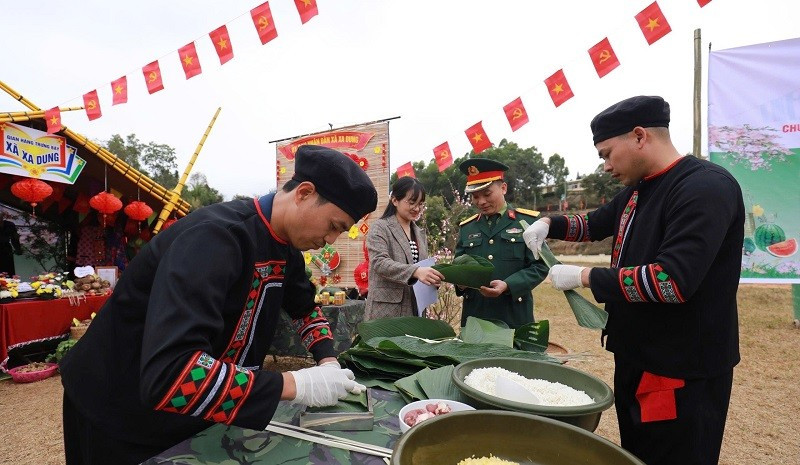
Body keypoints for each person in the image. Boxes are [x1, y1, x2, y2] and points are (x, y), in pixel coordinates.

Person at [59, 145, 378, 465]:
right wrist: (296, 384)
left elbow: (305, 308)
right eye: (334, 225)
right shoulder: (215, 238)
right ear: (304, 193)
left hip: (192, 410)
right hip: (115, 404)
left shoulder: (287, 248)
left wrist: (327, 362)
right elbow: (172, 373)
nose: (333, 239)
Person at [523, 96, 743, 465]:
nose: (606, 166)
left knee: (670, 455)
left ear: (640, 136)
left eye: (608, 154)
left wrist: (584, 275)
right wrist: (549, 224)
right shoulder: (641, 189)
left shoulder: (704, 188)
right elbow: (595, 223)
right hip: (638, 356)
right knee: (637, 452)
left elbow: (671, 281)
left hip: (678, 368)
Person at [454, 158, 549, 328]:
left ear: (503, 188)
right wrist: (460, 282)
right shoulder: (467, 228)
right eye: (475, 196)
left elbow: (541, 266)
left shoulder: (526, 222)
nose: (481, 201)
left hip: (514, 317)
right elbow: (458, 267)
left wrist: (508, 285)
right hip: (476, 318)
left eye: (487, 194)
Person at [365, 177, 443, 319]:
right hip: (386, 310)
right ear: (395, 200)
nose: (417, 209)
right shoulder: (380, 228)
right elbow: (379, 263)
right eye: (412, 202)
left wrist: (431, 279)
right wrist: (416, 271)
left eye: (420, 204)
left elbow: (422, 267)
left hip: (416, 307)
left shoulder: (419, 233)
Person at [0, 209, 22, 275]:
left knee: (8, 271)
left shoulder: (10, 225)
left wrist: (18, 250)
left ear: (2, 217)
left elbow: (14, 238)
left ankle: (10, 283)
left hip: (7, 249)